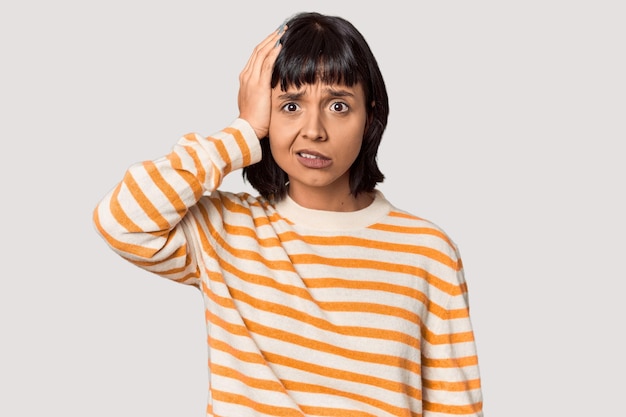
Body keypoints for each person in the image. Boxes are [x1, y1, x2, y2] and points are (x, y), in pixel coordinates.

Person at [93, 11, 483, 417]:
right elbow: (121, 221)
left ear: (370, 116)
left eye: (338, 105)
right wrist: (242, 130)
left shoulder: (427, 252)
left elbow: (455, 407)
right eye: (291, 105)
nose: (314, 129)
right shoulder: (226, 230)